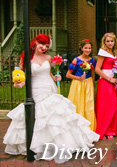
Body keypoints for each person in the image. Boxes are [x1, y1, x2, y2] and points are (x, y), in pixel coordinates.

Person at [3, 34, 99, 163]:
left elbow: (48, 73)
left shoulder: (48, 57)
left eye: (47, 45)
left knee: (55, 115)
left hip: (49, 87)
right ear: (35, 43)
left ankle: (60, 144)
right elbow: (22, 76)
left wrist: (55, 77)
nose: (44, 47)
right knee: (40, 116)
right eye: (41, 44)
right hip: (36, 90)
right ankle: (39, 145)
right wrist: (18, 83)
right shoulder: (26, 58)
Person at [94, 33, 117, 140]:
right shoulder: (103, 53)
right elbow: (97, 69)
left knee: (115, 105)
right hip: (106, 81)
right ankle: (106, 130)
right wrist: (109, 79)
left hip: (115, 81)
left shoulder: (113, 52)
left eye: (111, 41)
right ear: (104, 42)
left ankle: (114, 128)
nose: (110, 43)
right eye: (107, 41)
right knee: (107, 106)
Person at [66, 39, 97, 131]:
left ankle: (89, 128)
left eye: (90, 48)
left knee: (89, 104)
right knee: (78, 104)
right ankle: (77, 128)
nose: (88, 50)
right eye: (86, 48)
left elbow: (93, 74)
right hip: (78, 84)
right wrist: (78, 78)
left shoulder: (92, 60)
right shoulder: (76, 60)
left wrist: (92, 84)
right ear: (81, 48)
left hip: (88, 83)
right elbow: (68, 74)